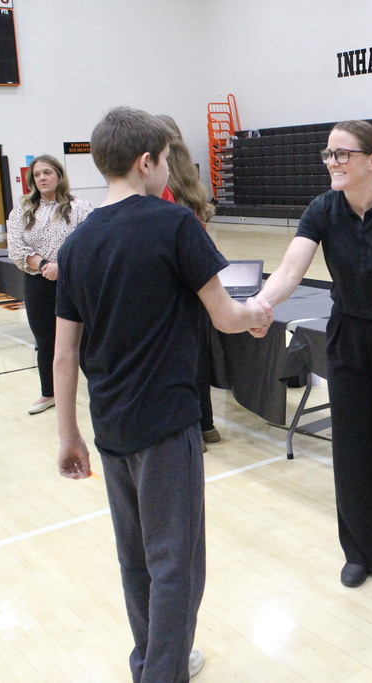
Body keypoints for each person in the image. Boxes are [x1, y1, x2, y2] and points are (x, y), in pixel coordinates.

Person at [53, 106, 270, 682]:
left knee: (137, 558)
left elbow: (64, 353)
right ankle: (162, 672)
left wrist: (68, 433)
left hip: (110, 427)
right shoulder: (174, 226)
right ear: (147, 162)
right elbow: (225, 317)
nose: (171, 169)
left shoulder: (76, 244)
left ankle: (153, 659)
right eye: (168, 159)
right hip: (167, 423)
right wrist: (257, 311)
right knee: (177, 562)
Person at [250, 120, 372, 588]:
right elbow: (291, 269)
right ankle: (362, 552)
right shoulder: (323, 210)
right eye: (329, 155)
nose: (333, 163)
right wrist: (260, 304)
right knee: (354, 446)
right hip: (350, 337)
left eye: (342, 154)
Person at [6, 155, 92, 415]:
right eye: (37, 174)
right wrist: (44, 265)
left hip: (74, 282)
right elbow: (16, 247)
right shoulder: (22, 211)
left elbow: (88, 246)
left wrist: (61, 268)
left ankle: (102, 388)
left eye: (47, 173)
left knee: (87, 339)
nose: (42, 178)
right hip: (38, 282)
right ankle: (49, 392)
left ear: (58, 175)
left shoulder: (80, 208)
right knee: (45, 339)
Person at [155, 114, 219, 449]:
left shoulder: (160, 183)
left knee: (177, 360)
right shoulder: (191, 177)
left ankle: (193, 428)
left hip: (172, 280)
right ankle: (206, 424)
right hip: (198, 275)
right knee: (199, 355)